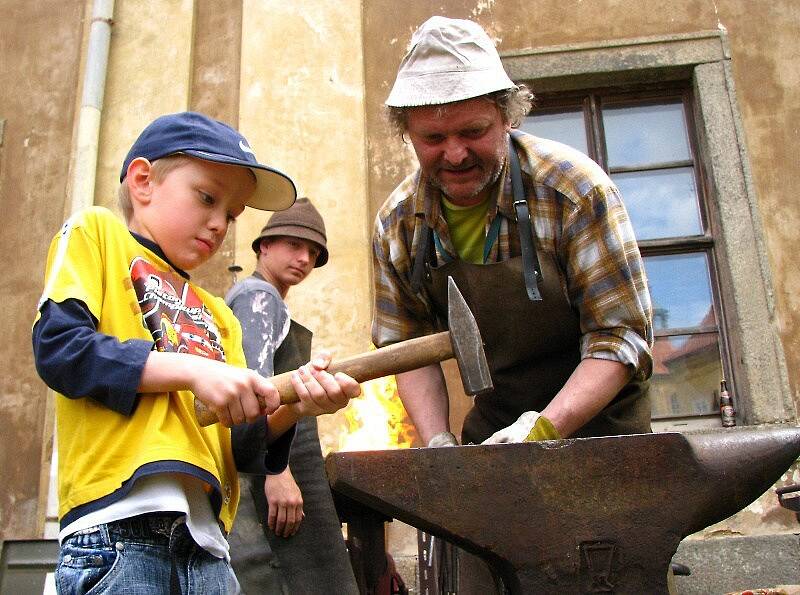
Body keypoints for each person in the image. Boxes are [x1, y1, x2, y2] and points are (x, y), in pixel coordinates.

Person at [371, 17, 653, 591]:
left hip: (603, 432)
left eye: (474, 131)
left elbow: (619, 338)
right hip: (495, 433)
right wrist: (438, 444)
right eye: (432, 138)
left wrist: (547, 429)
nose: (454, 154)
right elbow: (406, 349)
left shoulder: (575, 190)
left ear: (507, 115)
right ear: (407, 134)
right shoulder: (399, 224)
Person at [32, 111, 360, 594]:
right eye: (207, 197)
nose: (218, 224)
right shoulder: (95, 235)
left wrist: (297, 404)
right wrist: (192, 371)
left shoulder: (218, 315)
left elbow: (243, 444)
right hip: (118, 532)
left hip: (208, 547)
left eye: (231, 215)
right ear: (143, 181)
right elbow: (61, 350)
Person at [226, 198, 358, 593]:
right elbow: (254, 393)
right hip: (265, 476)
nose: (304, 258)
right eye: (294, 246)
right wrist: (276, 472)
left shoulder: (269, 301)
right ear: (264, 246)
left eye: (313, 252)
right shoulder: (257, 298)